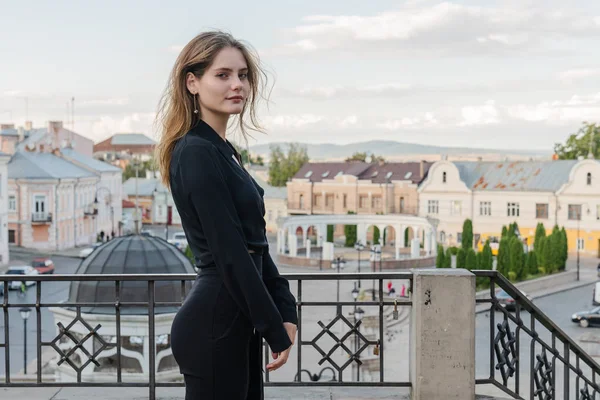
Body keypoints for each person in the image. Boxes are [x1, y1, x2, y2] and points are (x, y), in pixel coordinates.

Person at [155, 31, 298, 400]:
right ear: (192, 82)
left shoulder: (223, 151)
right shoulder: (194, 151)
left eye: (243, 75)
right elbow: (231, 254)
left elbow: (256, 245)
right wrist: (273, 327)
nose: (238, 84)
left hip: (235, 321)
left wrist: (286, 308)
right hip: (214, 325)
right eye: (223, 75)